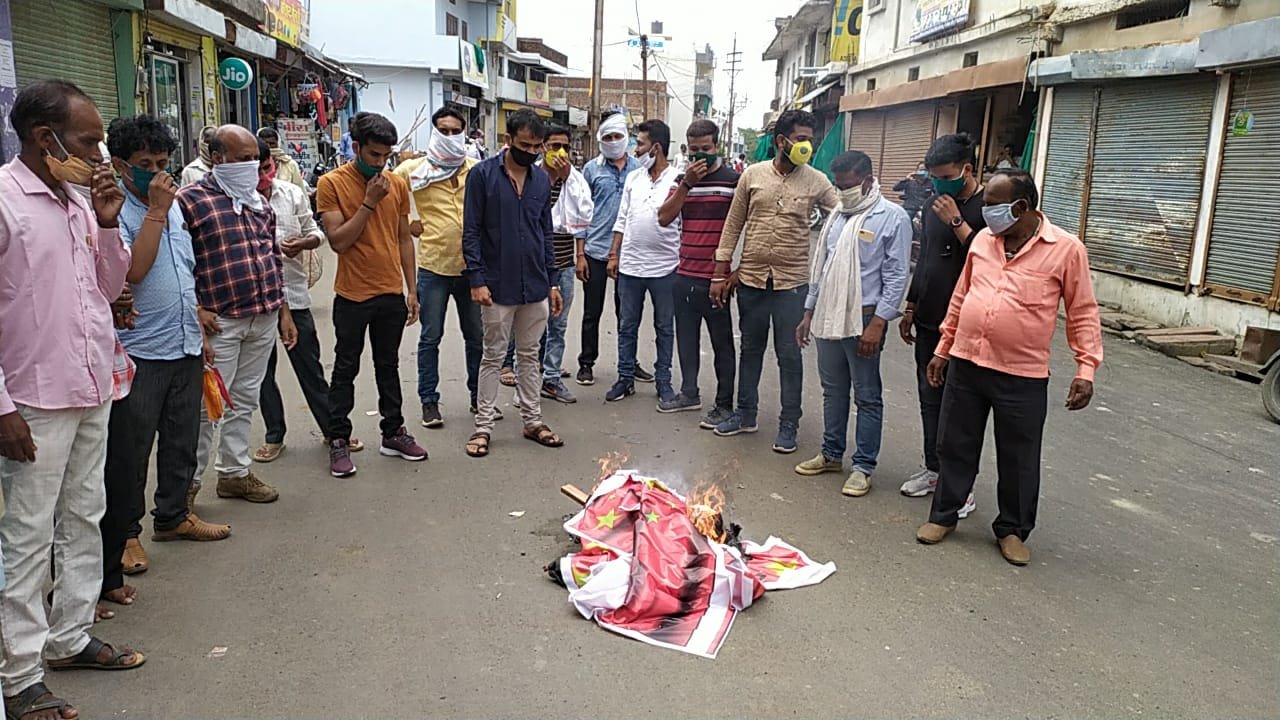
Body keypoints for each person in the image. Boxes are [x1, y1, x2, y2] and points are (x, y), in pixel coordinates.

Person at [0, 79, 146, 720]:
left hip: (93, 384)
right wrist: (0, 406)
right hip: (32, 399)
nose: (100, 153)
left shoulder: (80, 204)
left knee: (85, 516)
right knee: (28, 537)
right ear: (43, 138)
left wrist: (111, 225)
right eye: (89, 141)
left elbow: (109, 289)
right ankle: (20, 672)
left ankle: (70, 635)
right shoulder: (5, 203)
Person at [916, 169, 1103, 566]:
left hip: (1022, 373)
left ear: (1021, 207)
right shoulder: (984, 240)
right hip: (967, 362)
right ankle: (944, 515)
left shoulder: (1066, 249)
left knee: (1019, 457)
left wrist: (1085, 369)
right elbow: (962, 294)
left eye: (991, 206)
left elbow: (1083, 311)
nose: (984, 215)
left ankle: (1013, 529)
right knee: (955, 444)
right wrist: (943, 348)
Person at [100, 115, 231, 619]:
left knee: (183, 436)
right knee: (131, 450)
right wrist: (154, 210)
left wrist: (197, 318)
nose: (157, 173)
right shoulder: (116, 212)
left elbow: (183, 268)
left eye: (163, 164)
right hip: (138, 349)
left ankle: (173, 515)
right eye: (145, 166)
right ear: (119, 166)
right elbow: (132, 270)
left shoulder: (171, 207)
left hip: (182, 341)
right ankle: (128, 534)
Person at [181, 125, 298, 506]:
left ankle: (234, 473)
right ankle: (185, 491)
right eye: (242, 158)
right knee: (207, 408)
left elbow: (271, 258)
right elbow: (179, 262)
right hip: (221, 321)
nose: (251, 166)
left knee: (244, 399)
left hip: (262, 316)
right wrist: (195, 309)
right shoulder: (191, 201)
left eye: (255, 160)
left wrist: (283, 312)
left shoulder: (258, 203)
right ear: (218, 158)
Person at [711, 109, 838, 454]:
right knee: (750, 349)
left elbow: (842, 214)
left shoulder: (817, 181)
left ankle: (788, 425)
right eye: (800, 139)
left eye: (810, 140)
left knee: (789, 356)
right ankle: (746, 414)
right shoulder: (752, 175)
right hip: (752, 279)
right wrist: (721, 272)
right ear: (781, 141)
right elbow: (733, 225)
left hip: (792, 285)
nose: (807, 146)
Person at [793, 151, 910, 497]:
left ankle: (863, 466)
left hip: (864, 317)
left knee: (867, 395)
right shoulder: (838, 217)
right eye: (838, 185)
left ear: (868, 181)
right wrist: (808, 311)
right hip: (829, 313)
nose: (841, 192)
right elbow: (824, 267)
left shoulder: (893, 218)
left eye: (847, 185)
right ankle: (831, 454)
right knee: (833, 390)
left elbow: (896, 275)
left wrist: (878, 323)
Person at [317, 111, 427, 477]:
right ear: (357, 147)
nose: (381, 162)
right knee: (345, 367)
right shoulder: (331, 183)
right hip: (351, 294)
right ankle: (338, 439)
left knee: (389, 366)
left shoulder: (396, 184)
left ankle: (393, 432)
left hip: (390, 293)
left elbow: (402, 239)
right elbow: (339, 242)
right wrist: (368, 201)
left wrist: (411, 289)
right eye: (374, 155)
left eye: (386, 156)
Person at [253, 139, 364, 463]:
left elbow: (316, 232)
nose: (262, 175)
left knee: (309, 366)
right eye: (255, 170)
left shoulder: (290, 194)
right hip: (253, 299)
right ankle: (275, 435)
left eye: (266, 168)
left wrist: (303, 242)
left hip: (293, 292)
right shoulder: (236, 201)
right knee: (261, 372)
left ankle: (332, 430)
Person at [462, 109, 564, 458]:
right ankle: (484, 427)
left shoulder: (541, 180)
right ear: (508, 141)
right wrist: (477, 279)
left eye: (537, 146)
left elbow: (545, 232)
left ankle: (532, 420)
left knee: (529, 357)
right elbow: (471, 231)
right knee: (492, 357)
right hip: (496, 285)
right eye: (525, 144)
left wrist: (552, 282)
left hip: (535, 284)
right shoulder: (482, 176)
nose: (532, 151)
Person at [898, 133, 986, 515]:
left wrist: (957, 222)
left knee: (961, 409)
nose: (938, 184)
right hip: (931, 319)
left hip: (968, 325)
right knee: (929, 399)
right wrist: (912, 304)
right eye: (933, 177)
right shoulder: (934, 204)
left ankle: (961, 487)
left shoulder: (988, 206)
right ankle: (934, 469)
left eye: (945, 176)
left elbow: (992, 262)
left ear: (967, 169)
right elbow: (928, 259)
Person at [393, 107, 484, 428]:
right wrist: (407, 224)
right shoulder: (411, 171)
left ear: (463, 134)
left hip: (472, 269)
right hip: (433, 267)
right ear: (433, 132)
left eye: (454, 131)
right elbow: (388, 206)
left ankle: (479, 398)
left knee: (476, 337)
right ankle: (428, 402)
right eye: (442, 130)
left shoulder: (477, 170)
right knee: (430, 337)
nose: (448, 136)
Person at [656, 118, 739, 424]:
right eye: (694, 150)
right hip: (685, 274)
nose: (700, 155)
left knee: (722, 345)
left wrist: (734, 273)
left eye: (706, 149)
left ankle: (725, 404)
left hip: (716, 279)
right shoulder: (682, 180)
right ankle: (689, 393)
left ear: (717, 146)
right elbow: (664, 217)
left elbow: (749, 227)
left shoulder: (733, 181)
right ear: (686, 149)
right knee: (686, 339)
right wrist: (687, 184)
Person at [605, 119, 681, 405]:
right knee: (627, 325)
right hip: (630, 267)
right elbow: (622, 218)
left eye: (641, 144)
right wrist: (614, 254)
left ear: (657, 147)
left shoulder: (678, 179)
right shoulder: (634, 179)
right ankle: (625, 378)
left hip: (665, 268)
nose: (636, 150)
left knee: (664, 327)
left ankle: (664, 382)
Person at [577, 112, 652, 386]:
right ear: (600, 139)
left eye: (617, 136)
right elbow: (581, 213)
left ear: (626, 137)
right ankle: (586, 362)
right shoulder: (591, 169)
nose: (612, 141)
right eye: (607, 137)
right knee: (591, 312)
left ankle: (629, 363)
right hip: (596, 251)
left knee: (627, 314)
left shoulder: (640, 169)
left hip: (628, 253)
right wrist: (580, 253)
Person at [540, 123, 592, 404]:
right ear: (542, 148)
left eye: (565, 147)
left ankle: (550, 378)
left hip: (564, 262)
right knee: (532, 323)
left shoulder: (575, 180)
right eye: (554, 146)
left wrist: (567, 176)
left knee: (558, 324)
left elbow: (583, 215)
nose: (560, 152)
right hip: (536, 264)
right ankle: (529, 372)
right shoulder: (532, 177)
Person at [256, 126, 309, 193]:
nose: (268, 146)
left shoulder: (290, 164)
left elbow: (301, 191)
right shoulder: (253, 164)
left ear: (278, 144)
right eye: (265, 144)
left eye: (272, 143)